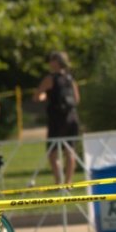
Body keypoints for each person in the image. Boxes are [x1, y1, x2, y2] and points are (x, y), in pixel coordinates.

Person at [35, 51, 81, 184]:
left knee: (52, 152)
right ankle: (69, 182)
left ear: (56, 62)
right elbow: (77, 99)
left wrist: (45, 96)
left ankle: (58, 181)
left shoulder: (50, 78)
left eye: (51, 60)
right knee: (70, 150)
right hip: (72, 117)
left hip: (57, 119)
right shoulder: (70, 78)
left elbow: (38, 96)